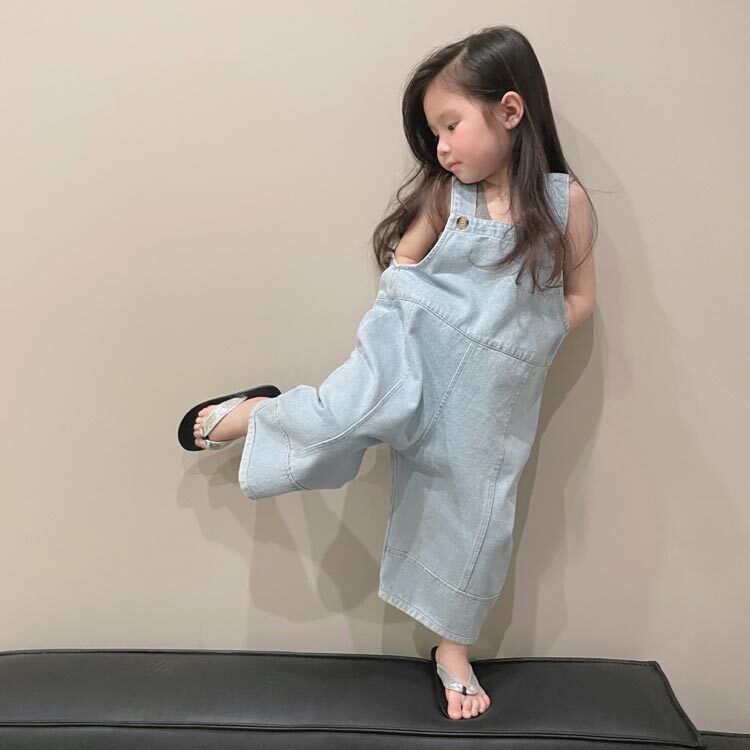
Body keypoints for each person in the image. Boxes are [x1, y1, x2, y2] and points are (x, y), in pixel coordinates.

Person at [180, 24, 597, 721]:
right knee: (347, 413)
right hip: (414, 343)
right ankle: (259, 413)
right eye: (434, 134)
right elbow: (405, 261)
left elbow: (580, 298)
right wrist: (408, 311)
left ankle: (452, 649)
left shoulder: (564, 203)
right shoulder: (448, 196)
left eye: (450, 126)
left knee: (479, 513)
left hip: (495, 388)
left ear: (510, 111)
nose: (441, 147)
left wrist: (528, 337)